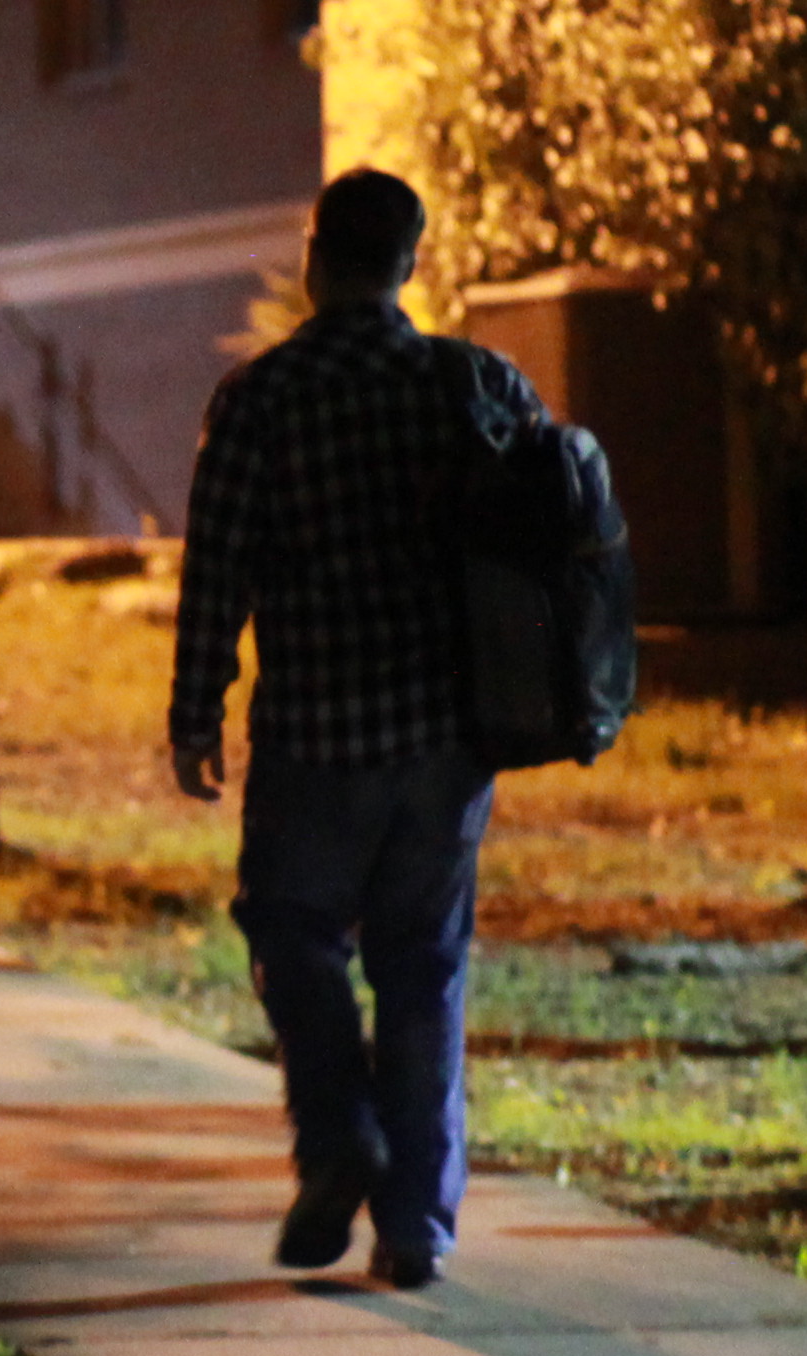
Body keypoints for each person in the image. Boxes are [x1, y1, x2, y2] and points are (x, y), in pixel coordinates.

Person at [167, 168, 540, 1289]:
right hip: (444, 739)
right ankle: (416, 1227)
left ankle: (337, 1141)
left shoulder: (260, 400)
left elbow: (216, 568)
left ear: (315, 259)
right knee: (423, 971)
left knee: (294, 939)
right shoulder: (475, 386)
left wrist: (197, 710)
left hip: (314, 734)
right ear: (410, 264)